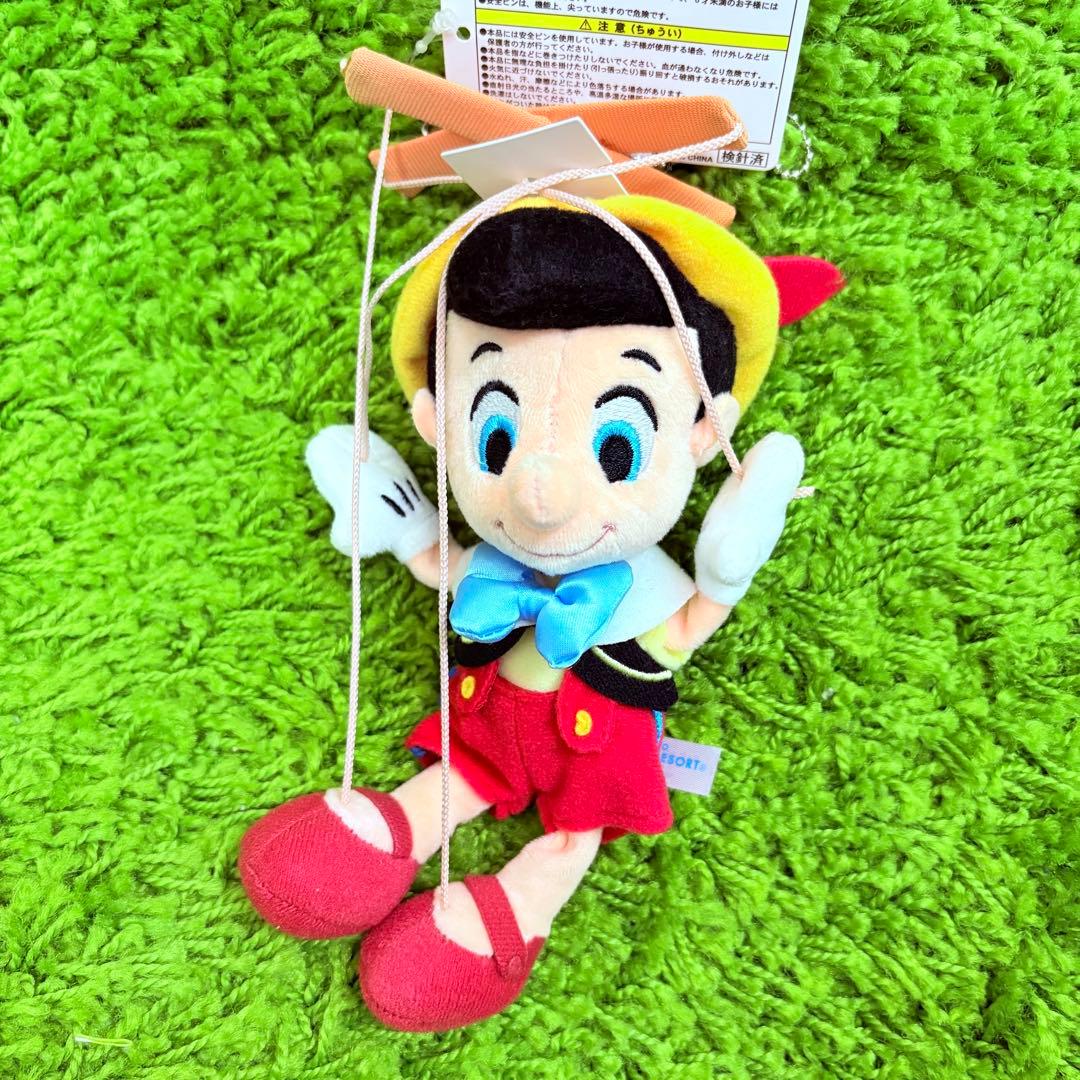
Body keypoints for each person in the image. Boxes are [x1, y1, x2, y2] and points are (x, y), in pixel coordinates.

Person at [239, 195, 841, 1031]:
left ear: (704, 431)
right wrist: (406, 526)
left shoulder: (643, 588)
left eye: (618, 447)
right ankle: (383, 833)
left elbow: (689, 622)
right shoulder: (494, 568)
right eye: (493, 438)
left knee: (572, 836)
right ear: (436, 423)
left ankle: (509, 915)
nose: (539, 497)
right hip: (488, 729)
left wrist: (726, 568)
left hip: (594, 753)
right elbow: (441, 561)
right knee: (458, 774)